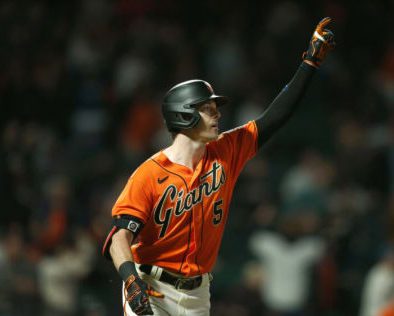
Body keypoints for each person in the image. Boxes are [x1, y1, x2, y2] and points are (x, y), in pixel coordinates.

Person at [102, 17, 336, 316]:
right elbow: (119, 237)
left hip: (198, 293)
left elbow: (276, 117)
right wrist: (130, 279)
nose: (217, 116)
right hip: (151, 286)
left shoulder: (227, 150)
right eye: (208, 110)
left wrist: (309, 64)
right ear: (183, 115)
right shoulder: (150, 173)